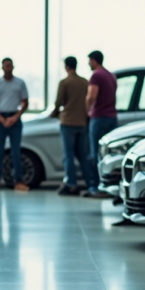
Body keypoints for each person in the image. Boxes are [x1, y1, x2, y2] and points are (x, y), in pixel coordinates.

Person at [51, 56, 99, 196]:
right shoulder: (85, 82)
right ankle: (90, 182)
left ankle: (71, 184)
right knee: (83, 155)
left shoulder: (64, 82)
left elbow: (58, 102)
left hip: (68, 123)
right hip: (83, 123)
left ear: (66, 67)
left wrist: (54, 113)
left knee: (69, 155)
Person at [0, 58, 29, 192]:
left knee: (16, 152)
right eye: (6, 65)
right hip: (1, 118)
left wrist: (15, 117)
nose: (8, 67)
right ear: (2, 67)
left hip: (15, 118)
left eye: (10, 65)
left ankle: (19, 181)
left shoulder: (20, 83)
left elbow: (25, 102)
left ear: (13, 67)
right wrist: (1, 118)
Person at [85, 50, 117, 197]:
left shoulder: (96, 75)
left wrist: (87, 111)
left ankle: (96, 187)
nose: (88, 64)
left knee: (95, 154)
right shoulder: (111, 76)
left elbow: (91, 96)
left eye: (89, 61)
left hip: (99, 118)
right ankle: (107, 185)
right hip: (112, 118)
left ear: (93, 60)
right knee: (108, 155)